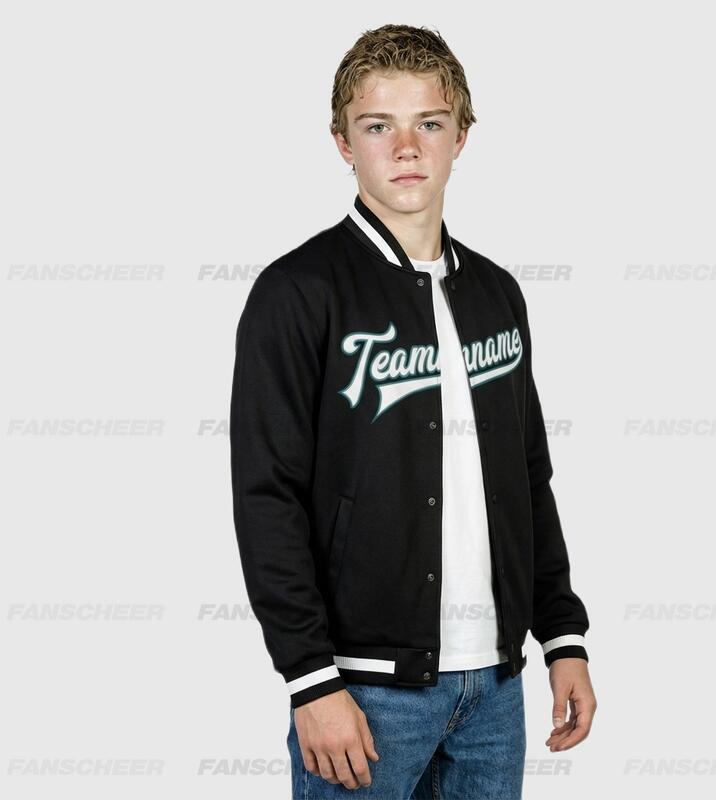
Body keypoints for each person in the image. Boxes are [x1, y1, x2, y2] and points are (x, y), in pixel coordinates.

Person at [229, 23, 597, 799]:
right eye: (377, 127)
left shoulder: (496, 294)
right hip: (362, 693)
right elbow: (267, 496)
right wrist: (310, 678)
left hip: (496, 688)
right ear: (342, 142)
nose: (405, 148)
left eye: (428, 123)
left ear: (460, 137)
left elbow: (528, 477)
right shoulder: (298, 293)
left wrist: (562, 633)